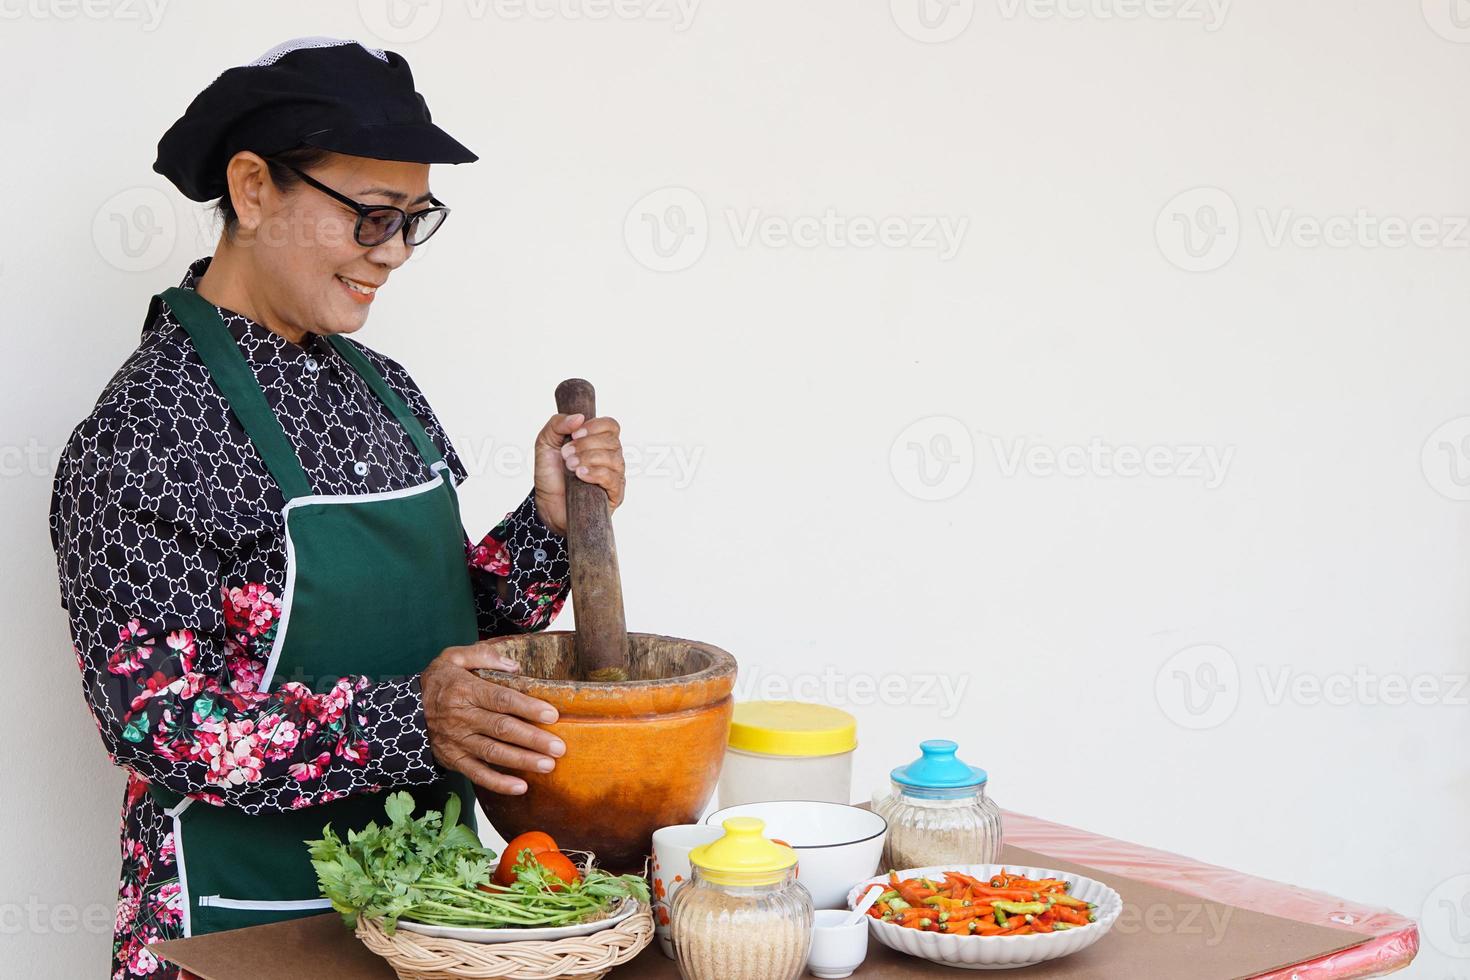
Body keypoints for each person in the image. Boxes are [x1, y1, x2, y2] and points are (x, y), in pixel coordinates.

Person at [47, 37, 627, 979]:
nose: (393, 254)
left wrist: (546, 531)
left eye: (415, 219)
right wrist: (417, 724)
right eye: (370, 216)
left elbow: (444, 635)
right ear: (251, 187)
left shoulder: (381, 389)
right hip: (235, 926)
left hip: (431, 910)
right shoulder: (145, 433)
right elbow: (157, 723)